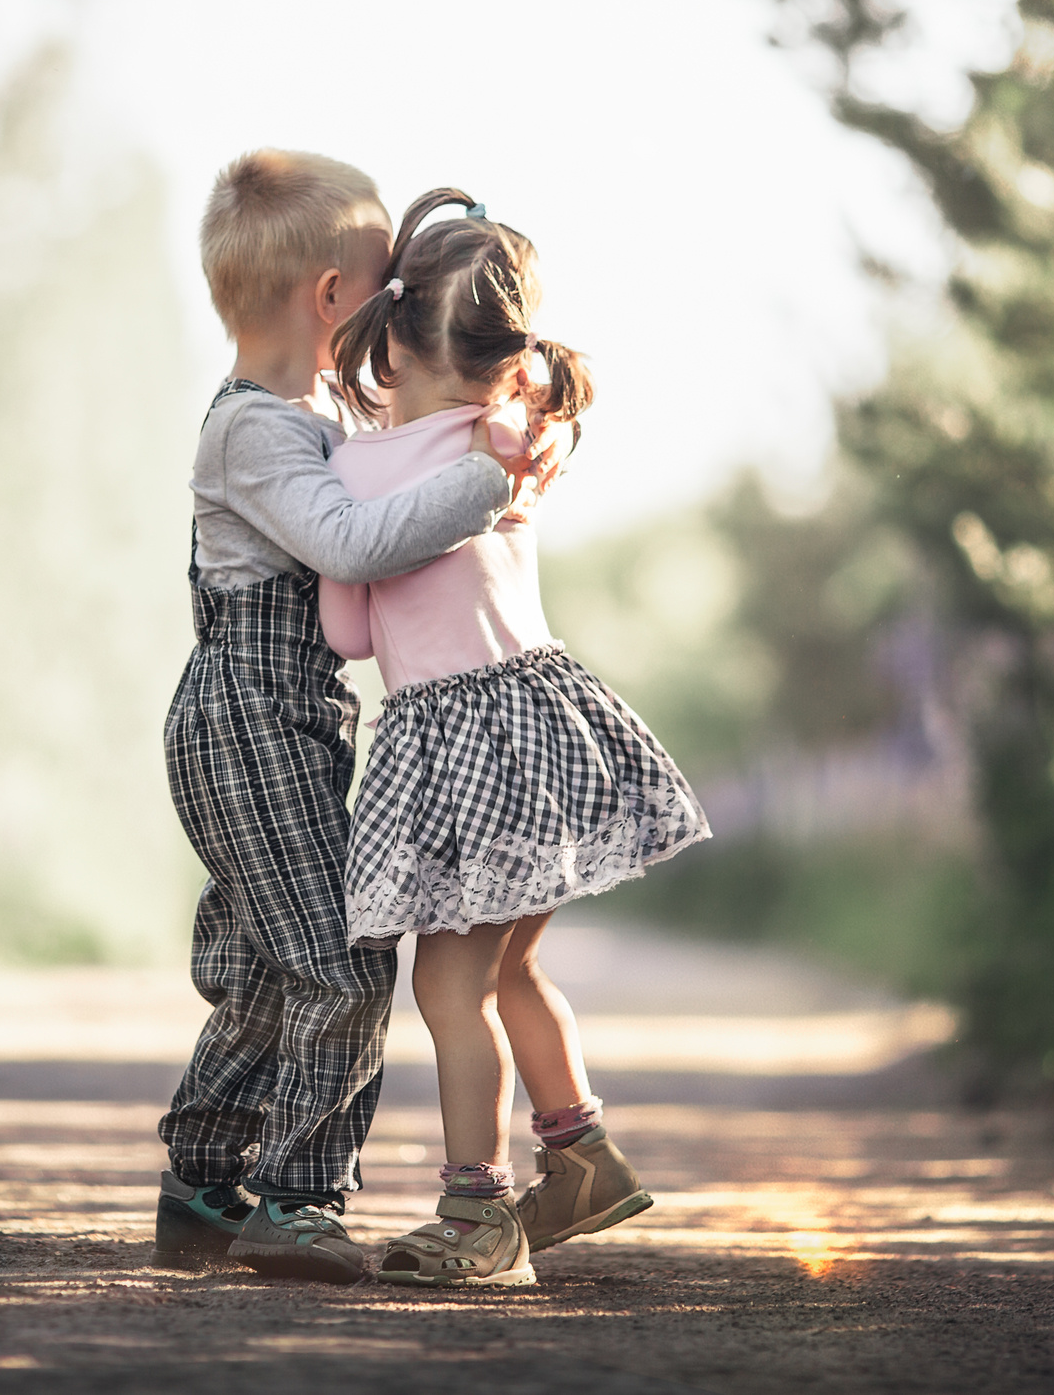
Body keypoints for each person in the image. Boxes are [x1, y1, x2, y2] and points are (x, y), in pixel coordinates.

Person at [154, 150, 543, 1285]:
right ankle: (295, 1196)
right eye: (389, 293)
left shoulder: (313, 407)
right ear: (333, 299)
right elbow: (355, 543)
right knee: (344, 957)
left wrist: (516, 406)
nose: (398, 319)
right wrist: (487, 484)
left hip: (287, 714)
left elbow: (426, 406)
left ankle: (202, 1183)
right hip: (247, 716)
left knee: (276, 965)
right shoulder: (257, 431)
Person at [319, 189, 712, 1289]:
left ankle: (478, 1214)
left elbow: (348, 629)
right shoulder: (512, 437)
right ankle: (579, 1152)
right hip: (550, 722)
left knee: (450, 992)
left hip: (457, 741)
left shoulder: (358, 470)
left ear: (388, 338)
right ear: (505, 354)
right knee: (512, 964)